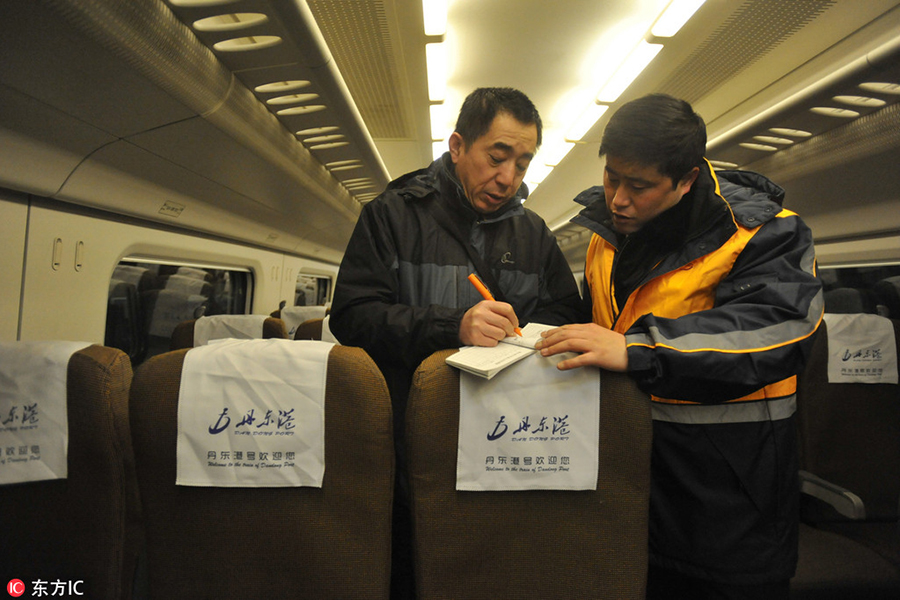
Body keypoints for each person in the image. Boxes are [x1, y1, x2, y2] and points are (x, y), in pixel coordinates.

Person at [537, 94, 824, 599]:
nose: (618, 199)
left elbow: (780, 329)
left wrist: (638, 350)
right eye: (612, 177)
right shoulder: (605, 234)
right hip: (630, 485)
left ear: (687, 179)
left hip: (728, 499)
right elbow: (598, 324)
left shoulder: (762, 231)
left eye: (639, 185)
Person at [330, 87, 583, 597]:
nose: (509, 177)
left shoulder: (534, 233)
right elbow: (353, 316)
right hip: (406, 439)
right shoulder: (391, 216)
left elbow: (565, 318)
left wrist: (525, 340)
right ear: (458, 145)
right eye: (497, 156)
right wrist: (453, 327)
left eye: (524, 161)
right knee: (410, 566)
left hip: (506, 441)